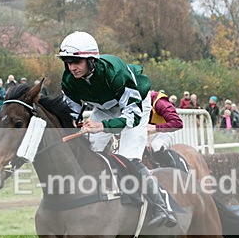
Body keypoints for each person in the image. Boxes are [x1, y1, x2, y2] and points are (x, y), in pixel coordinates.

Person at [59, 31, 176, 227]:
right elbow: (71, 114)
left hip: (136, 105)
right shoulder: (69, 79)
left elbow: (132, 115)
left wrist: (102, 126)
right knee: (90, 153)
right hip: (104, 108)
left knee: (128, 157)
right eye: (67, 62)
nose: (72, 67)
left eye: (76, 62)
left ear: (91, 60)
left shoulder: (115, 71)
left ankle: (162, 206)